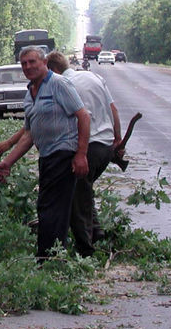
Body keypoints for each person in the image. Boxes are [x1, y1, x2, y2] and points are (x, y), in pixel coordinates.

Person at [0, 46, 90, 259]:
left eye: (32, 62)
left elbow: (83, 116)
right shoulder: (30, 93)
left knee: (51, 207)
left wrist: (81, 154)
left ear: (44, 62)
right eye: (24, 63)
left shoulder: (59, 84)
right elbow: (29, 134)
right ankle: (51, 255)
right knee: (48, 206)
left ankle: (49, 258)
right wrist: (8, 162)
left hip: (64, 153)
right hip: (46, 156)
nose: (28, 66)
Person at [46, 51, 122, 255]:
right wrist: (118, 140)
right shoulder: (93, 76)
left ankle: (85, 250)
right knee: (83, 189)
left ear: (53, 69)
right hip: (105, 146)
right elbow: (113, 109)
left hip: (87, 148)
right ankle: (97, 232)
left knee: (76, 198)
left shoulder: (61, 85)